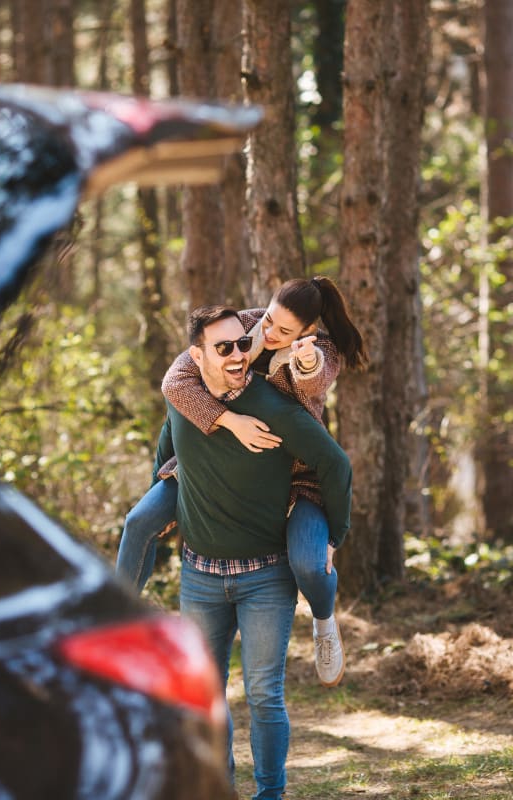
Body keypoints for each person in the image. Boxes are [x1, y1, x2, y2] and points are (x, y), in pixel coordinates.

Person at [115, 276, 368, 687]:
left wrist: (333, 537)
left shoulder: (320, 351)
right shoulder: (243, 328)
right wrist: (230, 422)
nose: (268, 333)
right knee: (139, 521)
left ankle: (324, 623)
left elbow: (313, 379)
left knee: (309, 564)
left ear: (306, 332)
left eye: (284, 331)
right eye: (269, 319)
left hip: (293, 475)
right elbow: (175, 384)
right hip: (212, 465)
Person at [156, 304, 352, 800]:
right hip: (200, 576)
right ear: (196, 355)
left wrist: (335, 536)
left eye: (244, 343)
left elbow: (334, 462)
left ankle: (271, 794)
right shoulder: (183, 397)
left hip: (266, 576)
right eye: (224, 347)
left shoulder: (273, 404)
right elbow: (165, 449)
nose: (239, 353)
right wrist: (166, 496)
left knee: (264, 696)